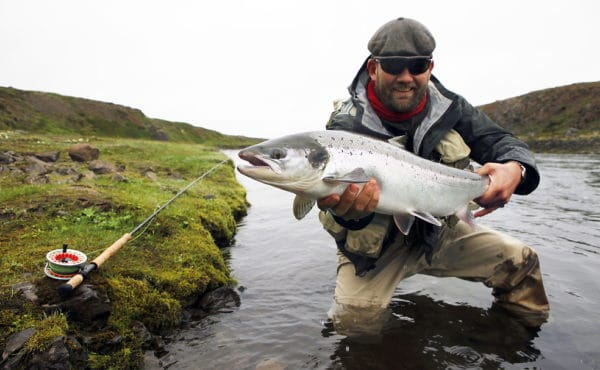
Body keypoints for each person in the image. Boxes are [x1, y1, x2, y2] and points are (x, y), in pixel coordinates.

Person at [317, 17, 549, 335]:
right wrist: (351, 215)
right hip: (374, 251)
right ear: (373, 68)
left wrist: (515, 168)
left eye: (417, 65)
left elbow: (502, 142)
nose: (406, 77)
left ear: (430, 66)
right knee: (354, 327)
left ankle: (520, 341)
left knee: (522, 263)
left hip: (440, 232)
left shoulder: (452, 107)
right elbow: (338, 207)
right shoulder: (345, 128)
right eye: (395, 66)